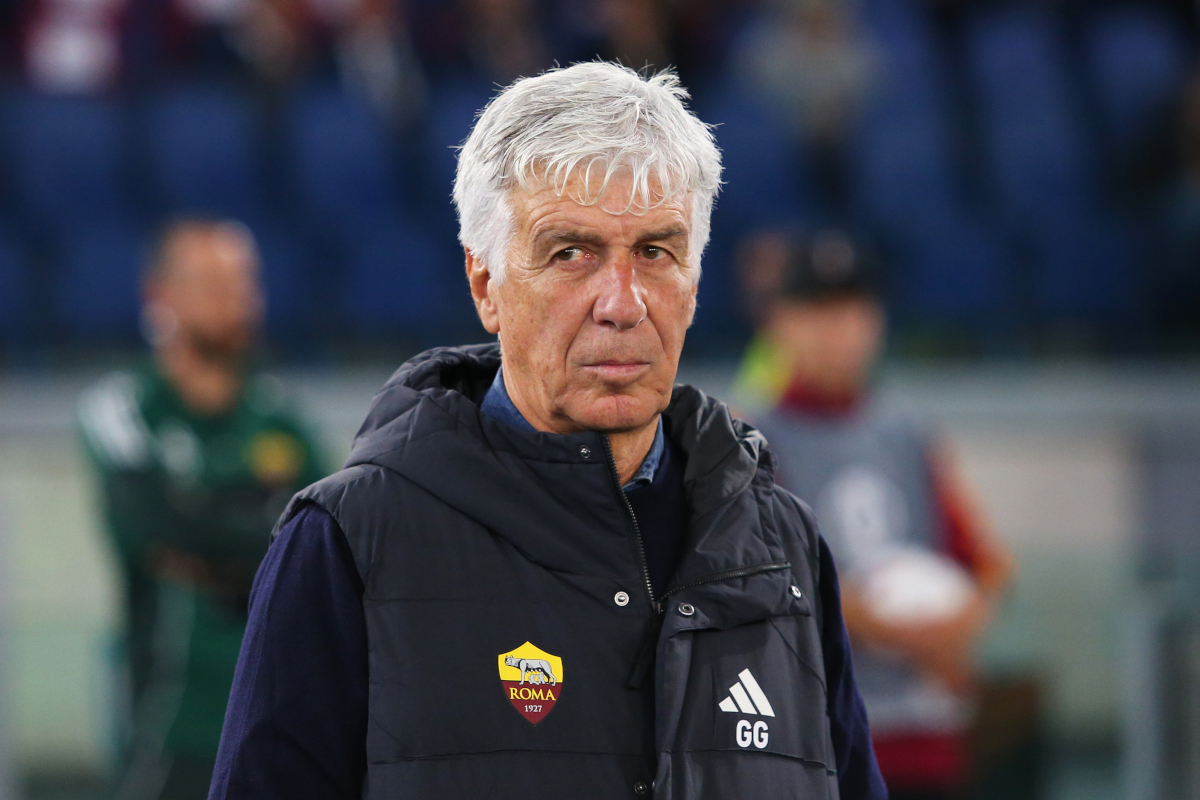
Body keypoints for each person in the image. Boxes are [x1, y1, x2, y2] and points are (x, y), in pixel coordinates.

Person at [208, 62, 886, 800]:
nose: (622, 304)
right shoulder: (345, 544)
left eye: (656, 253)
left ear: (694, 281)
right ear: (484, 284)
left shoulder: (783, 549)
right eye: (571, 253)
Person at [750, 229, 1015, 800]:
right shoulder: (754, 443)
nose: (839, 330)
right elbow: (774, 581)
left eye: (853, 310)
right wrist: (897, 630)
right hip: (819, 740)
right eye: (817, 311)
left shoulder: (905, 432)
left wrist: (958, 629)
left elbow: (985, 564)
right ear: (781, 323)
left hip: (925, 737)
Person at [78, 218, 327, 800]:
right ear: (161, 296)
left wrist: (202, 536)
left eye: (247, 283)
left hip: (279, 720)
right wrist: (257, 526)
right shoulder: (123, 411)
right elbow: (153, 529)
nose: (242, 300)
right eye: (218, 285)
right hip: (171, 720)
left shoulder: (280, 416)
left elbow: (317, 543)